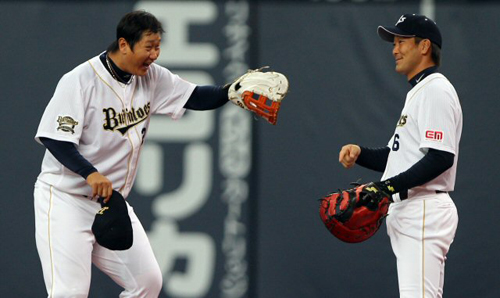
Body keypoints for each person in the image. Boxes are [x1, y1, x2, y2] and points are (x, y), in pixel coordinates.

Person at [34, 11, 235, 297]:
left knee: (147, 283)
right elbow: (55, 139)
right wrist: (90, 173)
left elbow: (194, 96)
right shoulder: (80, 80)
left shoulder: (151, 77)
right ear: (124, 44)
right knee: (70, 292)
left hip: (109, 202)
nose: (155, 54)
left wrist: (230, 91)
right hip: (64, 200)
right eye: (149, 46)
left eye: (158, 46)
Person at [338, 14, 462, 297]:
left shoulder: (435, 90)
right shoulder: (420, 91)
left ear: (424, 46)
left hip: (423, 209)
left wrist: (385, 188)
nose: (395, 49)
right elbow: (399, 158)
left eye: (402, 41)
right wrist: (361, 154)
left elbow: (441, 157)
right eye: (394, 42)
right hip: (413, 209)